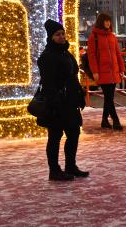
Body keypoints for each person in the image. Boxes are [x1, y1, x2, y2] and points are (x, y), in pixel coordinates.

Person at [37, 19, 89, 181]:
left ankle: (70, 166)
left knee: (73, 133)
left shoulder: (65, 52)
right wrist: (56, 101)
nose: (61, 37)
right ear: (51, 37)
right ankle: (54, 170)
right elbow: (49, 82)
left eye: (63, 34)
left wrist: (79, 94)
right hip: (58, 104)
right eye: (58, 35)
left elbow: (72, 75)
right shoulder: (47, 56)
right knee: (55, 136)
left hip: (70, 102)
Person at [87, 13, 126, 131]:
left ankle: (104, 121)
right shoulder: (94, 37)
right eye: (106, 21)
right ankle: (116, 120)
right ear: (101, 22)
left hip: (113, 71)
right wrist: (95, 71)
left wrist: (121, 69)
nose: (108, 23)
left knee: (109, 97)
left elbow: (118, 54)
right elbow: (91, 56)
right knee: (109, 98)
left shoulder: (112, 36)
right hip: (102, 72)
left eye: (109, 21)